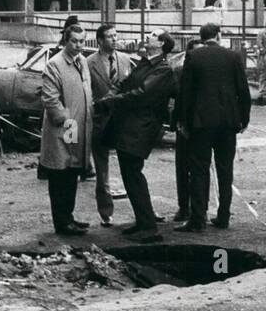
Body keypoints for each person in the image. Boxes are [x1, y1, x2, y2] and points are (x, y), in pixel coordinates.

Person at [96, 32, 176, 237]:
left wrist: (112, 101)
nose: (148, 36)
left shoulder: (163, 69)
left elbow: (142, 94)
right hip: (131, 125)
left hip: (143, 126)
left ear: (161, 44)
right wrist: (113, 92)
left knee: (133, 172)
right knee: (129, 173)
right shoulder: (146, 63)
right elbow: (127, 82)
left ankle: (149, 226)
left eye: (154, 35)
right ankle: (143, 221)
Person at [176, 22, 251, 231]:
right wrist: (244, 118)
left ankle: (198, 218)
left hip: (201, 123)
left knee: (199, 169)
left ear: (202, 38)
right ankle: (223, 216)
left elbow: (186, 92)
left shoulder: (193, 57)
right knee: (225, 169)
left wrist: (183, 121)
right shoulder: (234, 56)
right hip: (228, 122)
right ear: (218, 35)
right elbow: (243, 90)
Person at [39, 19, 93, 236]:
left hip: (78, 128)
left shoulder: (82, 61)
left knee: (72, 173)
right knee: (60, 174)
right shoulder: (55, 64)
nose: (79, 45)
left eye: (82, 41)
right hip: (65, 128)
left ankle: (69, 217)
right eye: (74, 41)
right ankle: (61, 222)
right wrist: (66, 120)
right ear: (65, 40)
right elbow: (50, 99)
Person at [86, 22, 134, 226]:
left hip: (122, 122)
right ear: (100, 40)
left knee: (131, 167)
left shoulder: (125, 60)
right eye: (109, 36)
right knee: (102, 170)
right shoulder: (89, 62)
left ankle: (140, 211)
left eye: (116, 35)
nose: (114, 39)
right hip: (99, 122)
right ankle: (106, 212)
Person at [169, 40, 197, 222]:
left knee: (198, 169)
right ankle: (183, 206)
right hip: (184, 125)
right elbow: (174, 98)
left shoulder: (204, 72)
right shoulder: (178, 72)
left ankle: (197, 207)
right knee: (182, 168)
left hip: (200, 125)